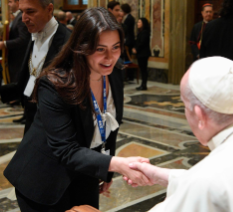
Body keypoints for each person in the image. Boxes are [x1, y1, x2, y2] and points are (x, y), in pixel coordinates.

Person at [4, 7, 151, 211]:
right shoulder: (54, 83)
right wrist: (116, 163)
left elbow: (110, 125)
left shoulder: (114, 72)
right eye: (100, 49)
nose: (110, 57)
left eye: (115, 47)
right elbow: (65, 150)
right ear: (82, 46)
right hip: (44, 178)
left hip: (84, 171)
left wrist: (106, 170)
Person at [126, 57, 233, 212]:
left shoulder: (208, 180)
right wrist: (161, 175)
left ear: (200, 116)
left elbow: (208, 185)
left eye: (184, 105)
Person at [0, 0, 71, 131]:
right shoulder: (35, 32)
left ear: (49, 9)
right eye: (22, 12)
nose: (24, 19)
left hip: (53, 125)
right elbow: (28, 79)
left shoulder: (68, 43)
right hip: (31, 117)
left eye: (30, 11)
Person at [0, 0, 30, 83]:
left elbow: (23, 39)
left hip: (19, 59)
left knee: (16, 83)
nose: (8, 5)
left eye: (10, 2)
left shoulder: (21, 17)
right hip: (15, 58)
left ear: (17, 3)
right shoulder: (17, 17)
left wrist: (4, 44)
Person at [133, 18, 151, 90]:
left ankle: (144, 85)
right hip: (141, 53)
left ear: (143, 23)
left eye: (139, 22)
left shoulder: (145, 32)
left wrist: (136, 49)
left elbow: (142, 43)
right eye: (137, 22)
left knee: (143, 70)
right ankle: (143, 84)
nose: (138, 23)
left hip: (143, 53)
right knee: (142, 69)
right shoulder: (141, 32)